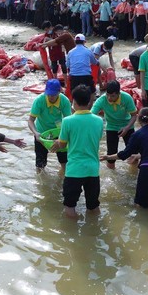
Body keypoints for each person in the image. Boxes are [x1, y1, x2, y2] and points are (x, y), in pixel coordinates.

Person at [100, 108, 148, 208]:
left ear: (139, 120)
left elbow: (125, 154)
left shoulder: (137, 134)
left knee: (141, 205)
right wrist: (138, 156)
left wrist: (107, 157)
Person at [50, 85, 104, 218]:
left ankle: (72, 236)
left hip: (74, 170)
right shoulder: (99, 121)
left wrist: (55, 143)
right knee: (93, 206)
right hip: (92, 169)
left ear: (73, 101)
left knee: (70, 207)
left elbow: (62, 144)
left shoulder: (67, 121)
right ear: (90, 101)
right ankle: (94, 231)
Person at [92, 80, 138, 169]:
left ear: (118, 93)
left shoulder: (127, 98)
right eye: (107, 95)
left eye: (112, 96)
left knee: (133, 152)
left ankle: (133, 173)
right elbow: (91, 115)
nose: (109, 98)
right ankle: (112, 174)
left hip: (127, 125)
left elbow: (134, 116)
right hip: (111, 127)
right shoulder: (101, 100)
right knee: (111, 155)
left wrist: (127, 128)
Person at [28, 79, 72, 172]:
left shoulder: (64, 101)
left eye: (54, 94)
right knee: (40, 165)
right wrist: (36, 133)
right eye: (49, 94)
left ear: (59, 91)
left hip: (59, 133)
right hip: (41, 134)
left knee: (65, 163)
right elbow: (31, 120)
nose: (51, 97)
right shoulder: (39, 100)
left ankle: (61, 181)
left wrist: (61, 138)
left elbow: (69, 122)